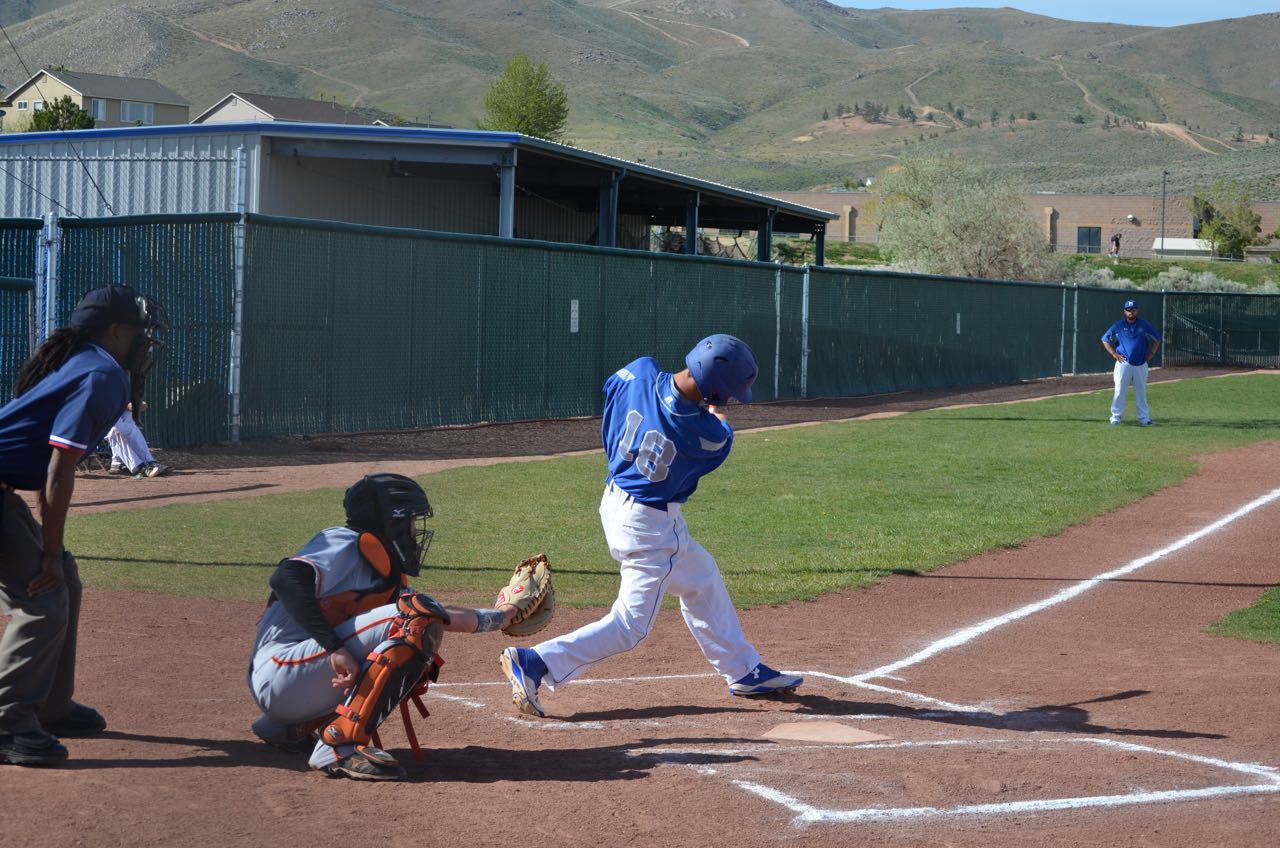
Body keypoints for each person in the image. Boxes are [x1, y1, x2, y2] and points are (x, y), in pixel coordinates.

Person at [500, 334, 802, 719]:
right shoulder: (704, 435)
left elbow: (613, 396)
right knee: (630, 626)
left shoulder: (638, 371)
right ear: (714, 389)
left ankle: (743, 670)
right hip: (651, 527)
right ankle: (536, 661)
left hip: (614, 495)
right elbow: (721, 433)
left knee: (702, 576)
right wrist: (715, 412)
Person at [248, 472, 526, 781]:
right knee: (415, 620)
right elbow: (286, 579)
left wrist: (505, 615)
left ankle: (288, 728)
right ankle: (340, 745)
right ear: (392, 521)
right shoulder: (344, 542)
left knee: (419, 617)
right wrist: (336, 648)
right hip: (279, 671)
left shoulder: (381, 570)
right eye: (411, 520)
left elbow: (440, 613)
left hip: (293, 685)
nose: (415, 530)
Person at [0, 285, 164, 766]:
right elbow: (58, 469)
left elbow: (42, 463)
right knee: (43, 600)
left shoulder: (87, 363)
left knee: (63, 580)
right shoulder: (101, 373)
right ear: (113, 331)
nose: (143, 342)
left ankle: (51, 705)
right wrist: (48, 553)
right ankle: (7, 723)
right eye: (137, 332)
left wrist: (55, 555)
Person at [1101, 299, 1163, 426]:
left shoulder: (1144, 325)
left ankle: (1144, 418)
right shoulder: (1118, 325)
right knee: (1119, 390)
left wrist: (1151, 353)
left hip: (1141, 363)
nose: (1131, 312)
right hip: (1123, 362)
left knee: (1141, 391)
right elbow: (1105, 339)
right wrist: (1114, 354)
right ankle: (1115, 417)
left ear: (1137, 311)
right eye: (1128, 310)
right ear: (1124, 311)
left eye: (1133, 310)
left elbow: (1157, 339)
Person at [106, 401, 172, 478]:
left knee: (128, 416)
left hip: (111, 419)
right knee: (115, 431)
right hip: (98, 425)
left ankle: (119, 462)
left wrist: (138, 404)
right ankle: (142, 466)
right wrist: (126, 405)